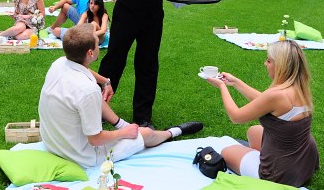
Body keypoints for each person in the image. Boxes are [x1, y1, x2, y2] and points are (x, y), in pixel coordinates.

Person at [39, 24, 203, 168]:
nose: (100, 44)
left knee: (97, 100)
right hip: (80, 157)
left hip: (53, 143)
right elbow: (95, 139)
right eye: (98, 43)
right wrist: (124, 133)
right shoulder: (87, 90)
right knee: (145, 133)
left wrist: (105, 81)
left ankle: (122, 124)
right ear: (90, 53)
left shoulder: (59, 63)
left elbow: (86, 72)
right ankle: (173, 132)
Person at [202, 40, 319, 187]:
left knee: (226, 151)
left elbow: (236, 117)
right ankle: (256, 158)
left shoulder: (276, 95)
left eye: (269, 60)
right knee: (253, 131)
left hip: (279, 176)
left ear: (281, 66)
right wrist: (235, 82)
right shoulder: (299, 88)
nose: (265, 64)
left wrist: (221, 87)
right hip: (303, 164)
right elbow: (264, 102)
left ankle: (258, 166)